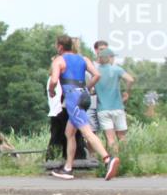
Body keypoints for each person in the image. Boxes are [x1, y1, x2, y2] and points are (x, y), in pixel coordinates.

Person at [48, 35, 119, 180]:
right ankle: (68, 168)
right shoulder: (83, 58)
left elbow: (54, 80)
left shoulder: (59, 60)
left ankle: (107, 159)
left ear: (60, 47)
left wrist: (51, 90)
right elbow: (97, 75)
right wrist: (86, 88)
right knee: (70, 133)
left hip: (73, 99)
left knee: (86, 132)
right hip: (84, 97)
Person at [94, 48, 135, 156]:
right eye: (113, 57)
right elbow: (130, 80)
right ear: (109, 58)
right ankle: (125, 160)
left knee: (110, 138)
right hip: (117, 107)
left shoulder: (95, 71)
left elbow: (91, 89)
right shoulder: (116, 69)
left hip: (102, 109)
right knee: (122, 136)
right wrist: (127, 92)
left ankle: (113, 161)